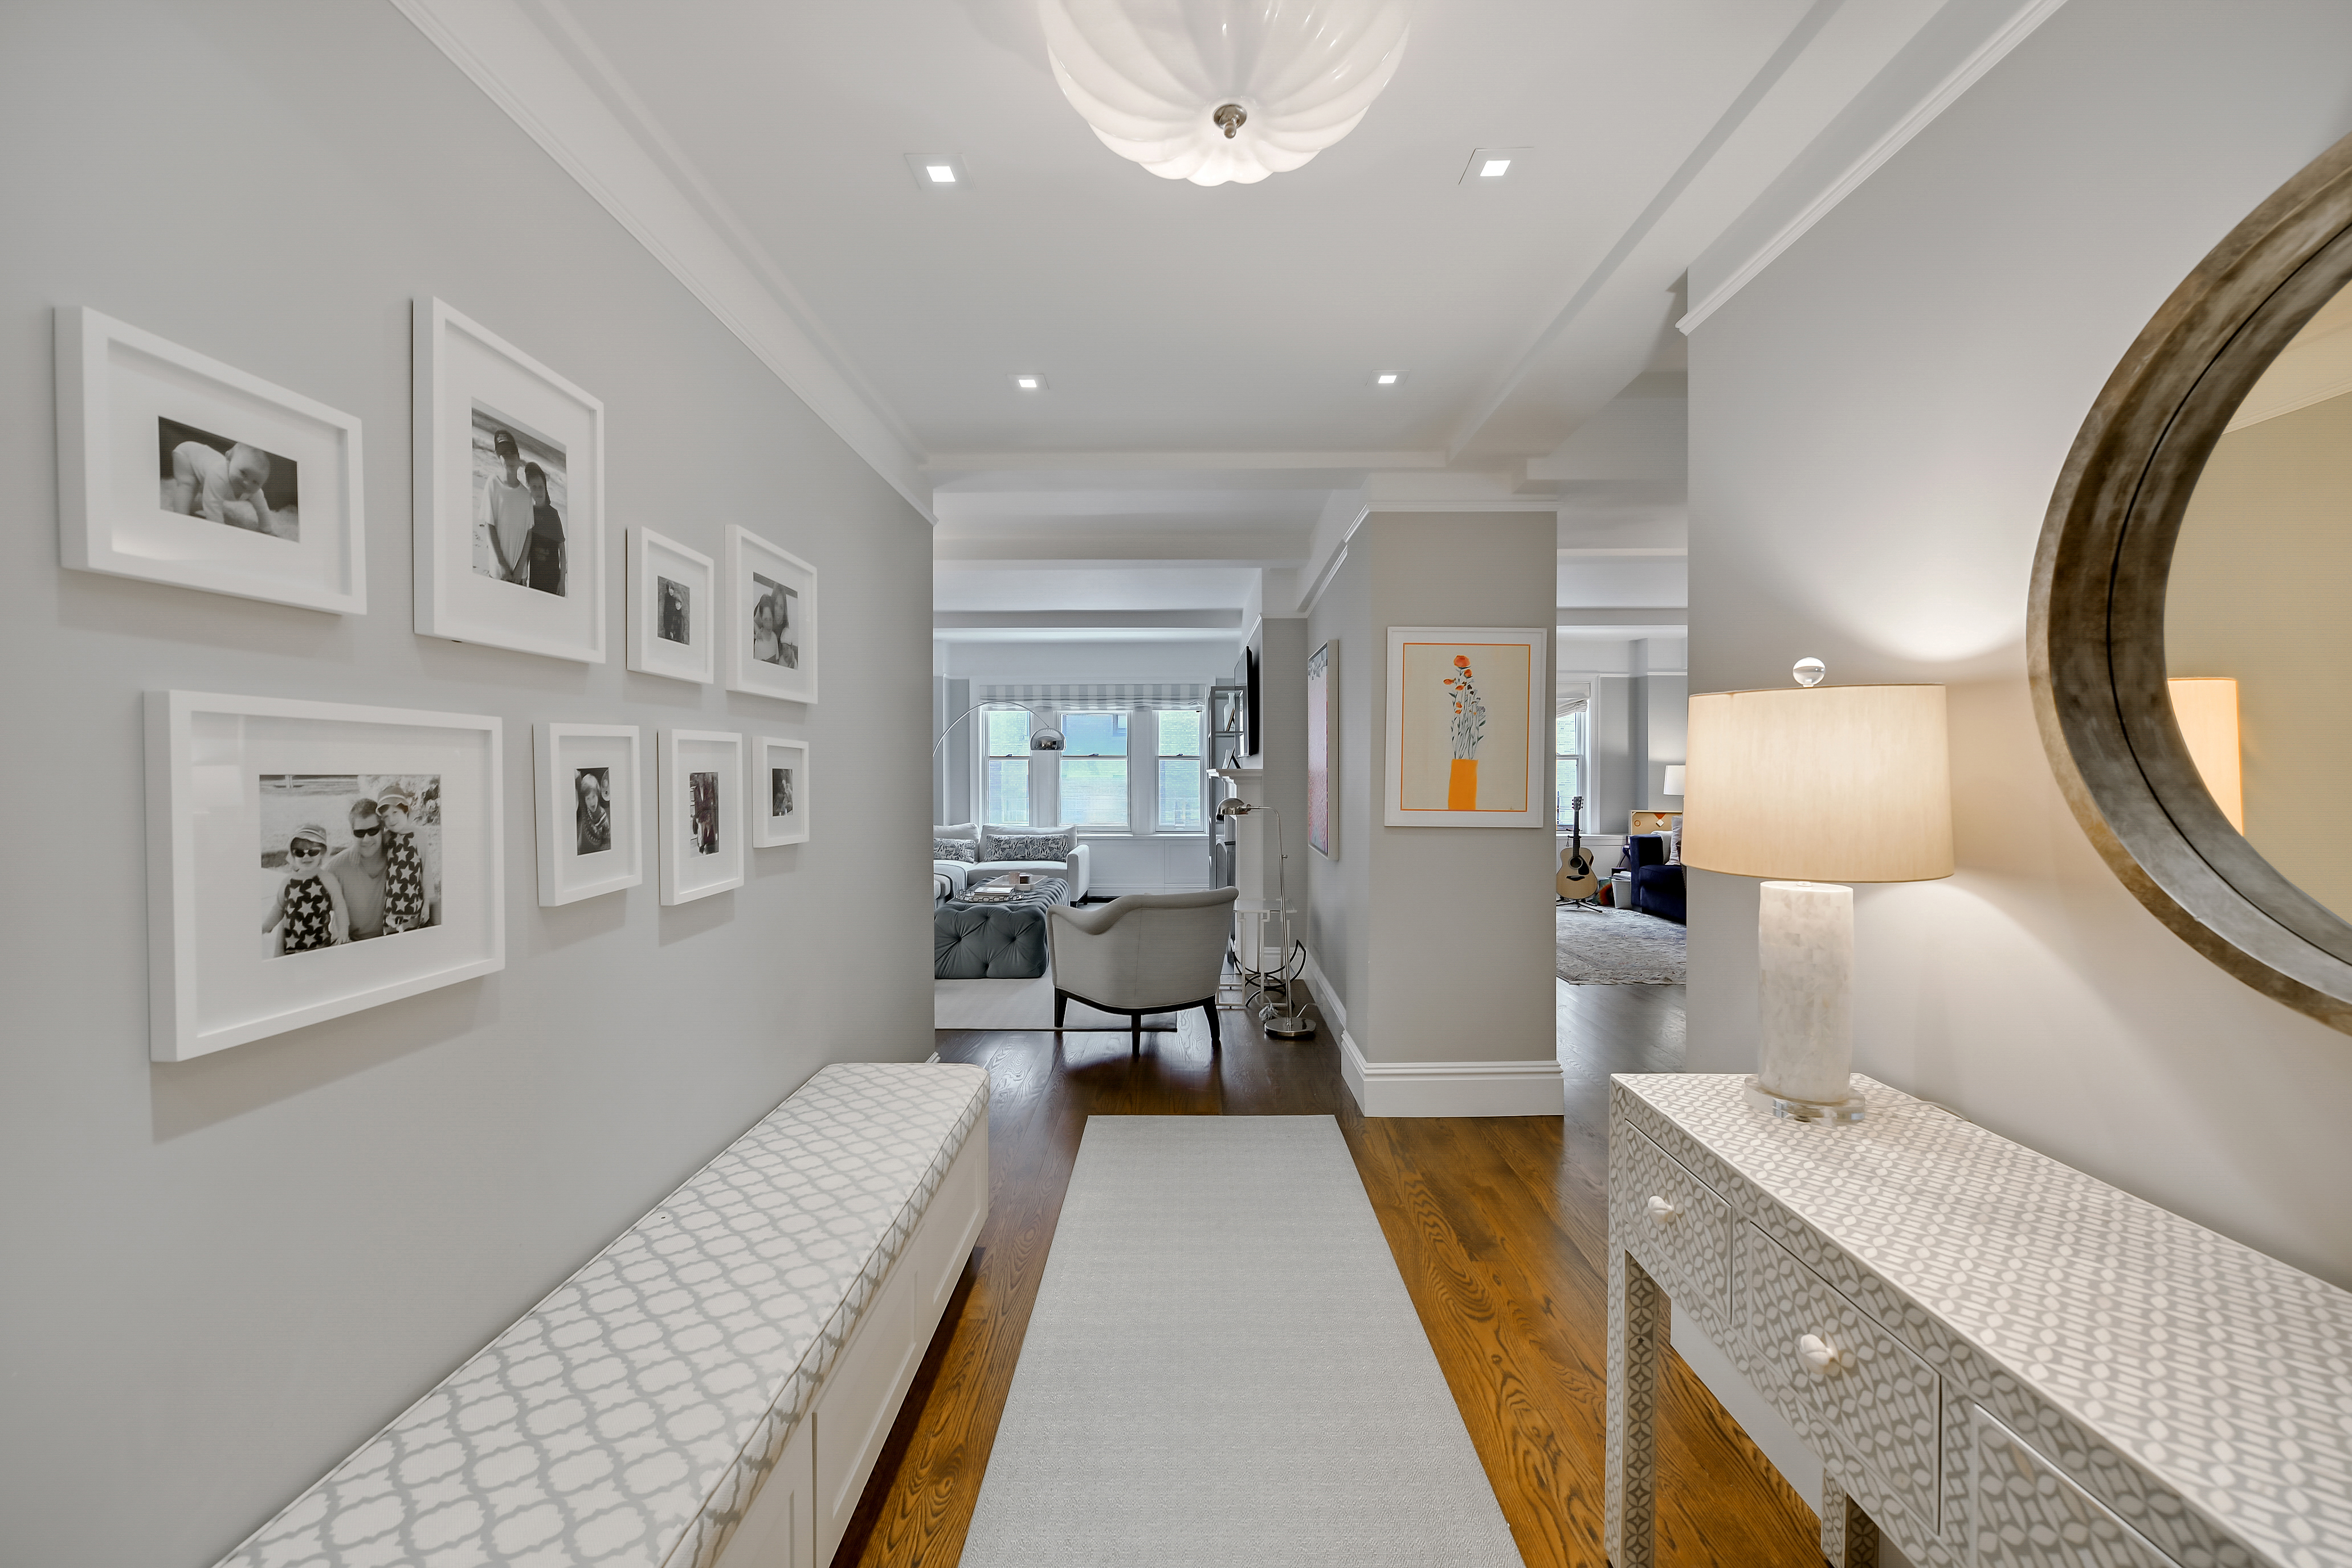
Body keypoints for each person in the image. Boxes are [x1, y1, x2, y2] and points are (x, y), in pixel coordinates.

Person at [169, 440, 284, 537]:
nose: (247, 483)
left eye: (256, 482)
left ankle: (191, 505)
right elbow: (212, 507)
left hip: (204, 464)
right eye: (243, 473)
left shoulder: (255, 492)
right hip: (187, 454)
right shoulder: (219, 477)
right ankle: (180, 520)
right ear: (229, 460)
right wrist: (221, 534)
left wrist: (267, 529)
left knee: (208, 493)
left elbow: (263, 510)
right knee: (189, 485)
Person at [263, 824, 348, 955]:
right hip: (291, 948)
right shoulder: (287, 882)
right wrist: (265, 927)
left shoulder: (327, 880)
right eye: (299, 852)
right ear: (292, 855)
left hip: (320, 947)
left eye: (313, 852)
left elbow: (340, 907)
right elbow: (279, 908)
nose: (306, 857)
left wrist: (343, 931)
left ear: (323, 852)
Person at [374, 785, 433, 936]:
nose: (391, 819)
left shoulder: (418, 836)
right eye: (386, 817)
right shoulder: (387, 838)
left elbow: (426, 872)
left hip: (413, 907)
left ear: (405, 810)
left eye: (395, 812)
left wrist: (426, 904)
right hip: (389, 911)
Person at [480, 429, 534, 584]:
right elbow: (489, 525)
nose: (509, 458)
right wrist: (502, 565)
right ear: (499, 458)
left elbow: (529, 533)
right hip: (498, 571)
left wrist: (520, 568)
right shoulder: (493, 483)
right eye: (504, 454)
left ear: (519, 458)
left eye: (512, 453)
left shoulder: (526, 495)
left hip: (520, 574)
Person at [524, 461, 565, 596]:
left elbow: (562, 551)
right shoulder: (529, 512)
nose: (538, 491)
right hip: (535, 579)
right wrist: (524, 577)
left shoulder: (553, 514)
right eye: (534, 487)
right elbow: (527, 550)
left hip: (553, 578)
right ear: (529, 489)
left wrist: (562, 582)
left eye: (541, 487)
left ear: (546, 488)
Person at [576, 769, 610, 855]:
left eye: (594, 796)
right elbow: (578, 783)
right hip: (580, 849)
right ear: (584, 800)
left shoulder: (603, 817)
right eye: (588, 798)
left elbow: (606, 841)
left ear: (598, 794)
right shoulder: (585, 809)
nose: (592, 802)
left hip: (594, 852)